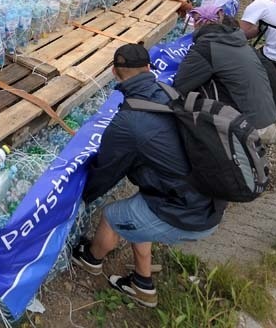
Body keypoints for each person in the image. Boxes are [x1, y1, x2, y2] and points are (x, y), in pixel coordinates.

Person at [73, 43, 226, 309]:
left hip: (189, 214)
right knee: (139, 207)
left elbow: (104, 174)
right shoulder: (169, 91)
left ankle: (91, 259)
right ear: (148, 68)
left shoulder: (127, 122)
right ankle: (143, 283)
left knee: (111, 216)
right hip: (211, 199)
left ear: (113, 71)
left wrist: (80, 199)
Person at [173, 5, 276, 144]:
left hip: (248, 129)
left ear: (199, 24)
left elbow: (180, 85)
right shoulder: (239, 41)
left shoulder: (207, 46)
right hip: (269, 119)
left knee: (196, 90)